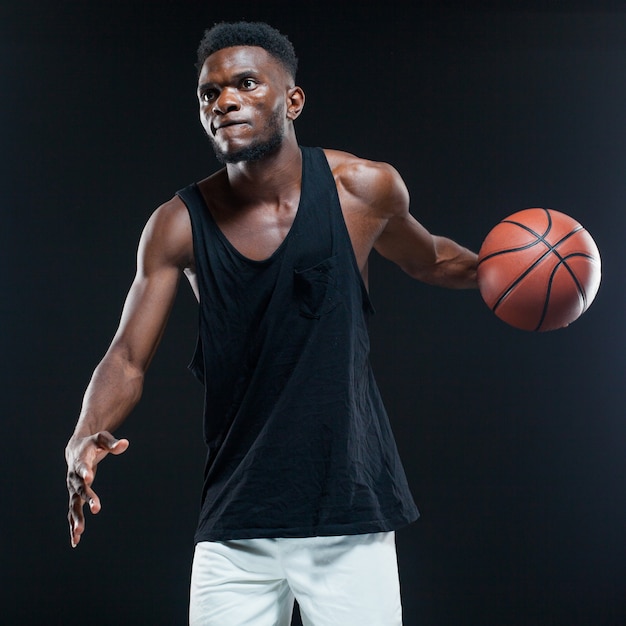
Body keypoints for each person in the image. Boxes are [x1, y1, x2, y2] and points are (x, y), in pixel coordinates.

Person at [65, 21, 478, 626]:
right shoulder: (176, 225)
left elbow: (433, 258)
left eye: (246, 84)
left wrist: (510, 270)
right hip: (237, 522)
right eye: (209, 93)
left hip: (348, 512)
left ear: (292, 99)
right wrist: (85, 432)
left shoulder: (361, 190)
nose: (225, 101)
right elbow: (126, 356)